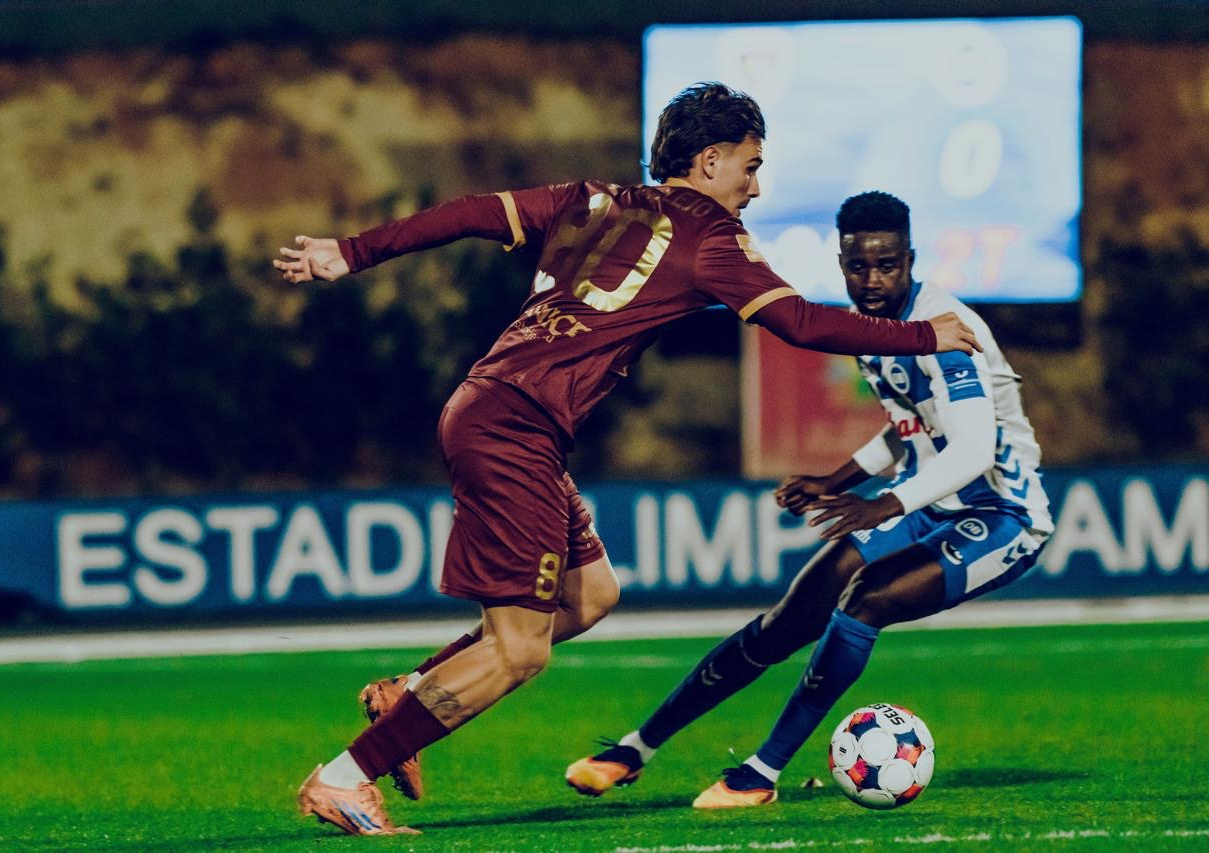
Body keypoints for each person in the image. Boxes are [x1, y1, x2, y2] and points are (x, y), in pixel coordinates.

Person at [274, 86, 981, 837]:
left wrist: (352, 251)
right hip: (513, 428)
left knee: (590, 596)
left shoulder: (590, 198)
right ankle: (344, 777)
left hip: (501, 412)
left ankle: (409, 690)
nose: (755, 186)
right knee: (520, 652)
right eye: (750, 166)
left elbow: (472, 212)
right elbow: (800, 323)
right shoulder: (712, 237)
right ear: (710, 161)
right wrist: (923, 335)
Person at [565, 189, 1053, 808]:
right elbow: (913, 424)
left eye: (887, 265)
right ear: (841, 262)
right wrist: (836, 480)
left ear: (910, 260)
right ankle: (636, 748)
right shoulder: (871, 328)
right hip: (931, 502)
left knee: (866, 600)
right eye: (858, 266)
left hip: (1004, 516)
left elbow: (974, 448)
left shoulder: (950, 328)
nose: (872, 281)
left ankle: (760, 774)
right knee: (787, 621)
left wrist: (884, 505)